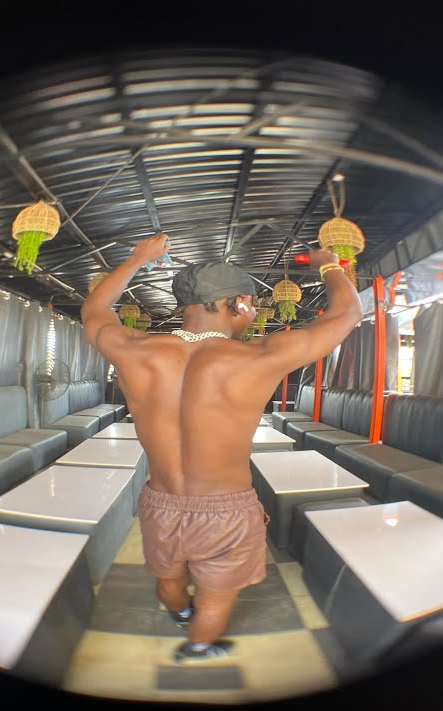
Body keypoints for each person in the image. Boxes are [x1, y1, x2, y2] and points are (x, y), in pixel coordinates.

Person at [81, 233, 362, 662]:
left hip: (161, 501)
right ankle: (198, 646)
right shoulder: (260, 356)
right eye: (251, 305)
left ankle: (180, 613)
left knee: (169, 579)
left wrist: (137, 258)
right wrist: (328, 263)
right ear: (238, 303)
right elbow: (347, 314)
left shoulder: (133, 349)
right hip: (225, 510)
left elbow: (94, 310)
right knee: (215, 598)